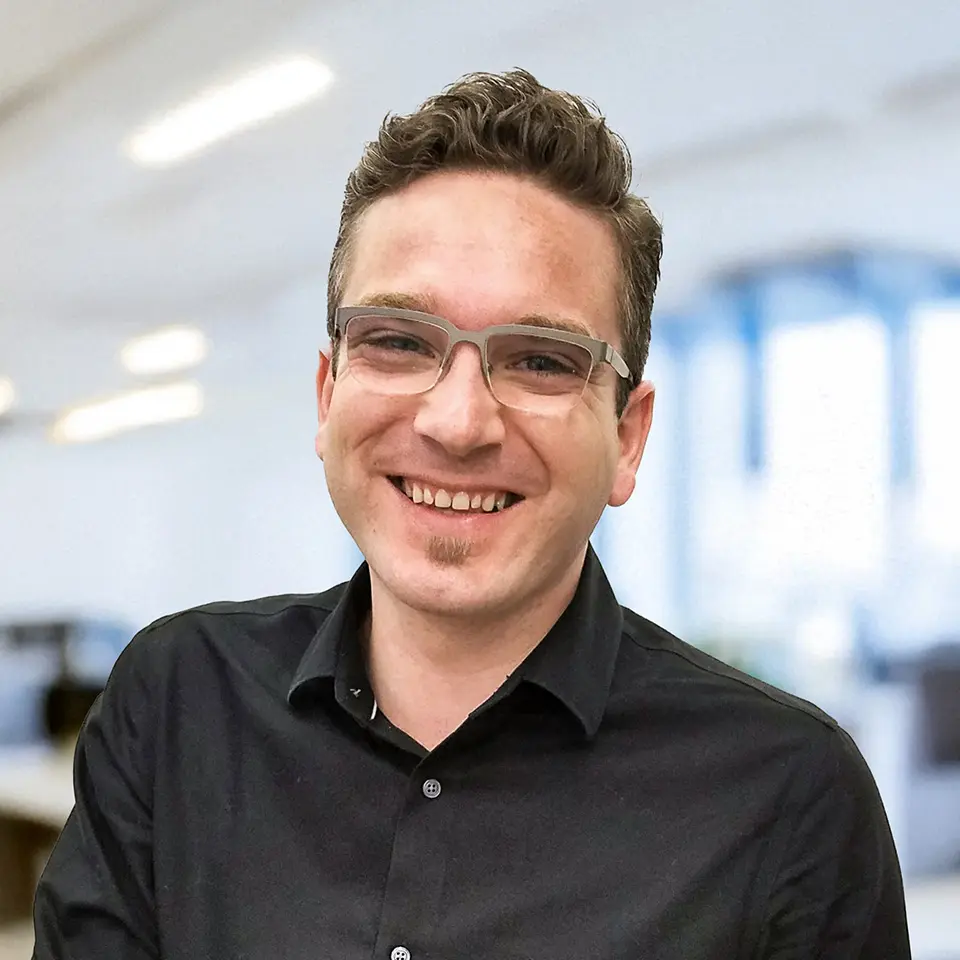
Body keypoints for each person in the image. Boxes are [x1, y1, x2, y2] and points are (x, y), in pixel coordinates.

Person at [32, 69, 911, 959]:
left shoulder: (791, 796)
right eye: (399, 342)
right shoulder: (176, 703)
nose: (456, 423)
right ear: (329, 392)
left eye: (540, 360)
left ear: (628, 436)